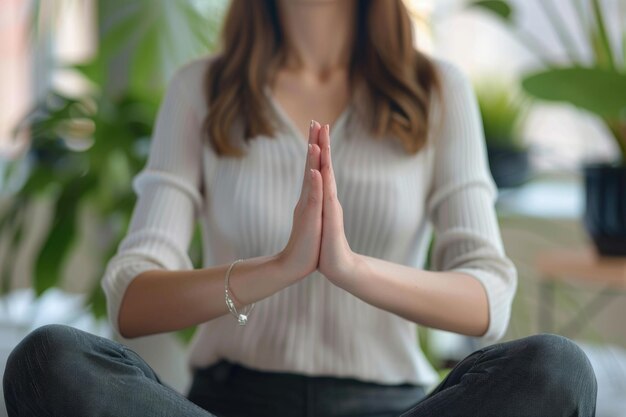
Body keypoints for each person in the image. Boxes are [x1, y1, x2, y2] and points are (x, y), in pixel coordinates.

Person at [3, 0, 597, 416]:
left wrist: (348, 268)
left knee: (558, 369)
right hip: (229, 400)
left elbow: (488, 298)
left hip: (391, 402)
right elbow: (129, 299)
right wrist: (281, 268)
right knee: (46, 359)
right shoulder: (201, 88)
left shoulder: (438, 89)